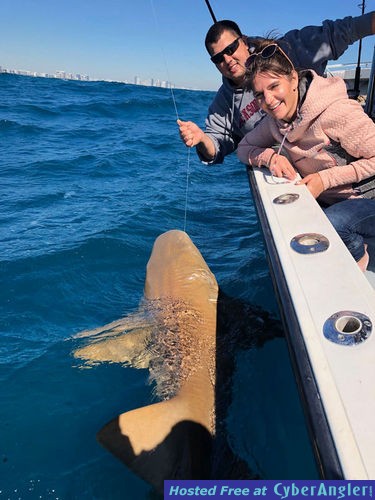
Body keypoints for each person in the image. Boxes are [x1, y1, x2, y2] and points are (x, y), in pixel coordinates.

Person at [236, 39, 375, 271]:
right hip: (333, 201)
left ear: (292, 78)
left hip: (367, 199)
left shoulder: (336, 112)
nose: (268, 101)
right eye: (259, 94)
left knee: (334, 224)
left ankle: (359, 260)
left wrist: (326, 179)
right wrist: (270, 158)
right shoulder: (274, 122)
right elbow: (244, 148)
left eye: (273, 87)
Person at [178, 12, 375, 165]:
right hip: (290, 171)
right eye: (218, 58)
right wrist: (202, 139)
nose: (227, 60)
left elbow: (343, 30)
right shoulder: (223, 104)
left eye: (230, 49)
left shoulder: (290, 49)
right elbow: (218, 145)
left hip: (341, 150)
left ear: (244, 41)